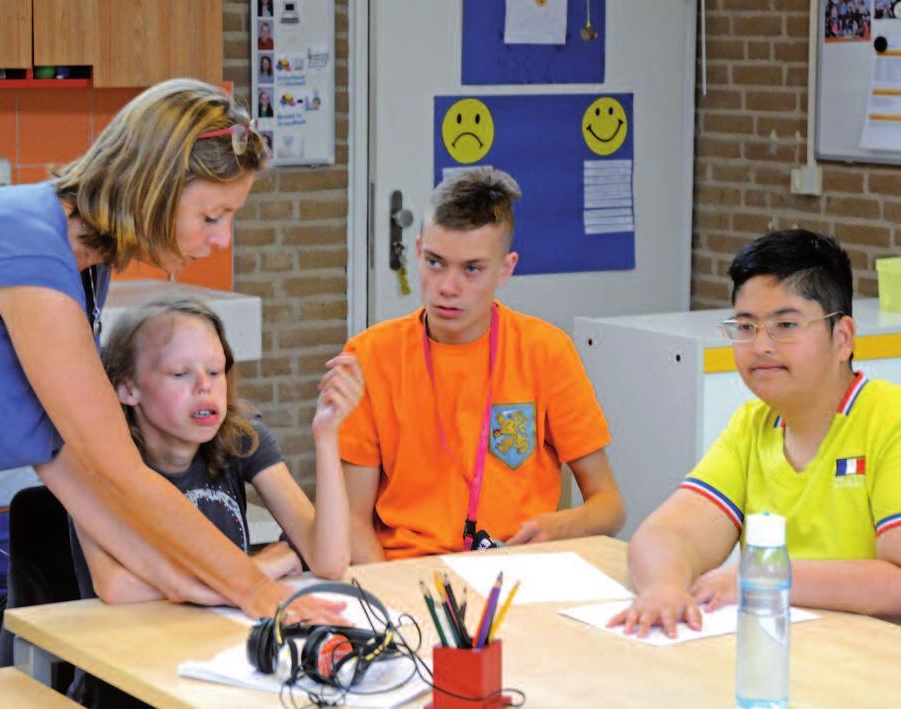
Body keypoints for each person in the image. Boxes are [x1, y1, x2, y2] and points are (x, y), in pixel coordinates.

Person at [0, 78, 342, 684]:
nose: (221, 238)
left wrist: (195, 584)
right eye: (212, 215)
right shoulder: (29, 253)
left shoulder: (79, 273)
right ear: (155, 188)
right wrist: (254, 589)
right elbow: (121, 473)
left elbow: (71, 466)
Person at [68, 297, 362, 707]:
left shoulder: (241, 436)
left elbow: (329, 561)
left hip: (223, 664)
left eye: (215, 370)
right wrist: (258, 570)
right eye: (179, 373)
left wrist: (326, 436)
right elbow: (117, 586)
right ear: (127, 387)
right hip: (129, 680)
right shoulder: (100, 463)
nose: (204, 386)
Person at [610, 230, 901, 639]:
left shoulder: (890, 420)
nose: (761, 345)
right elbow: (667, 534)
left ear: (842, 337)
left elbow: (897, 582)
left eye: (785, 324)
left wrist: (763, 578)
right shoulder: (752, 425)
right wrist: (664, 588)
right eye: (745, 327)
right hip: (778, 654)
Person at [339, 167, 626, 562]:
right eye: (435, 262)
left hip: (516, 571)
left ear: (505, 269)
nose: (447, 287)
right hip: (409, 572)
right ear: (419, 250)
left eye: (472, 269)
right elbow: (352, 522)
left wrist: (560, 526)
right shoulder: (369, 356)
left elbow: (609, 506)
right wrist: (389, 602)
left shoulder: (546, 351)